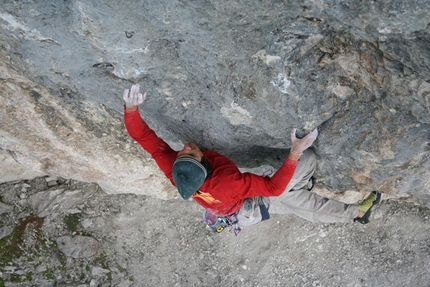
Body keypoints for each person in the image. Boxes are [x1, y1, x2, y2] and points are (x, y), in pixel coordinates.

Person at [123, 84, 381, 233]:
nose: (187, 147)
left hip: (236, 206)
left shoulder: (176, 171)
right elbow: (272, 187)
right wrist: (294, 152)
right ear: (205, 165)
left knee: (295, 191)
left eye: (183, 153)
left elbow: (145, 138)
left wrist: (131, 109)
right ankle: (357, 213)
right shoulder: (226, 181)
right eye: (192, 152)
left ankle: (304, 186)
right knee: (299, 179)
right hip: (252, 205)